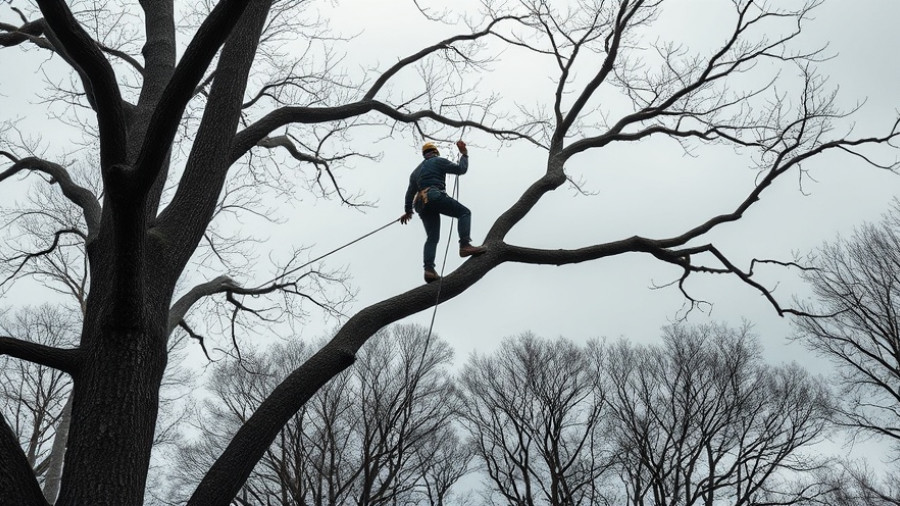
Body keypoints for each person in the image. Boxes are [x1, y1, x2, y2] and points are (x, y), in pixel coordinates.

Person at [401, 140, 486, 283]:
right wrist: (464, 154)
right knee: (464, 213)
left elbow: (409, 193)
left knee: (432, 238)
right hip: (434, 195)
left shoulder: (415, 172)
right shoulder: (438, 161)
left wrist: (408, 211)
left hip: (420, 204)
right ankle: (465, 245)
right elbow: (461, 169)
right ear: (434, 152)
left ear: (424, 154)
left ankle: (429, 270)